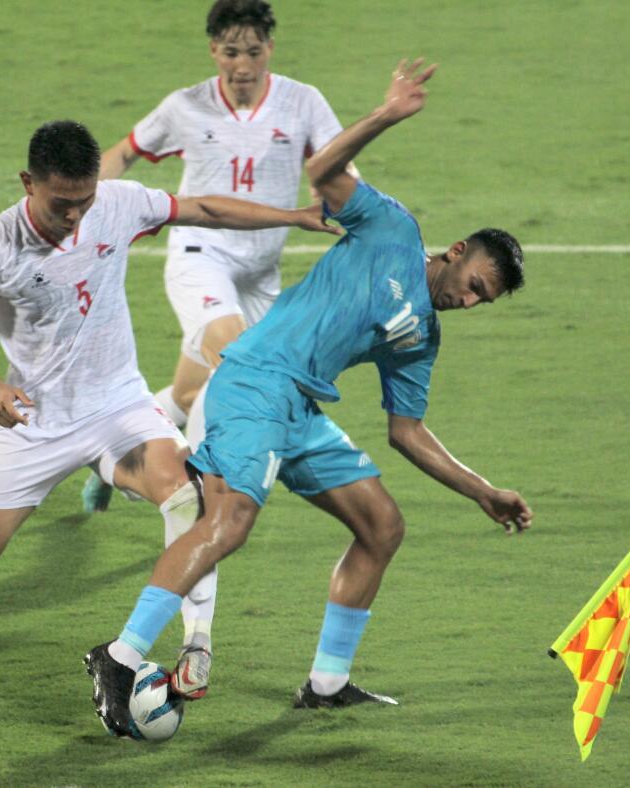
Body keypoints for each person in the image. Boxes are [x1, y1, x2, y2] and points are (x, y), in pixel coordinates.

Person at [0, 119, 336, 714]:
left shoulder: (115, 204)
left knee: (191, 497)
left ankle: (197, 644)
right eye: (62, 204)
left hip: (119, 405)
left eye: (84, 201)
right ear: (27, 183)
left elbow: (203, 209)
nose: (75, 217)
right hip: (37, 422)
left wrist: (292, 216)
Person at [84, 60, 534, 738]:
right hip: (255, 380)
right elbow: (323, 172)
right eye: (473, 283)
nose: (468, 301)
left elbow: (407, 430)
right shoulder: (391, 229)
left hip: (298, 410)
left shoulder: (422, 339)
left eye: (482, 300)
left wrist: (483, 490)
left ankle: (327, 683)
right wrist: (386, 114)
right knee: (230, 520)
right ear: (456, 250)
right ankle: (119, 657)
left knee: (382, 525)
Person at [85, 0, 352, 488]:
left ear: (271, 48)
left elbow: (341, 167)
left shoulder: (303, 102)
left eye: (253, 51)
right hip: (200, 257)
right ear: (213, 51)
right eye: (231, 52)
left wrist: (336, 192)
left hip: (262, 272)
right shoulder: (186, 106)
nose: (243, 66)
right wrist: (84, 205)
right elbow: (124, 152)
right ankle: (206, 490)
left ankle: (115, 457)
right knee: (244, 362)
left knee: (190, 395)